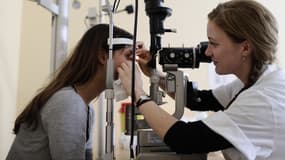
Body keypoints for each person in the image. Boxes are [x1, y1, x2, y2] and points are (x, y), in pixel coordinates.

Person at [118, 0, 285, 159]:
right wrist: (155, 75)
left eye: (214, 44)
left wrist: (138, 93)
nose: (207, 52)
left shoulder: (264, 99)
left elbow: (185, 139)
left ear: (245, 48)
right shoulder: (256, 80)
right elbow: (197, 100)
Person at [6, 24, 133, 160]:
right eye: (128, 56)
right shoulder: (69, 103)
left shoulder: (87, 109)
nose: (132, 65)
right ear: (103, 57)